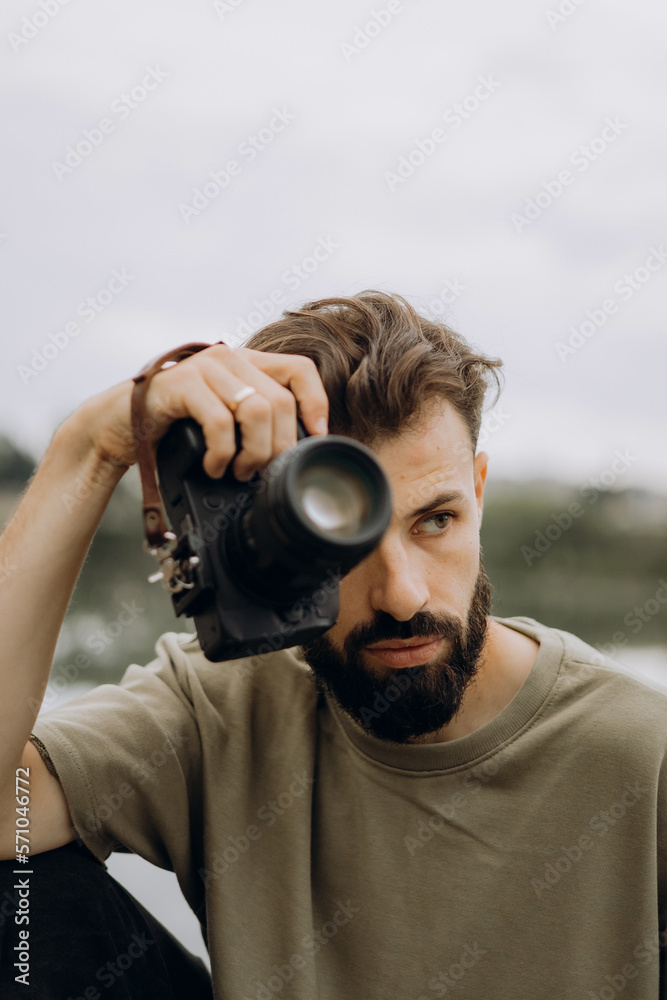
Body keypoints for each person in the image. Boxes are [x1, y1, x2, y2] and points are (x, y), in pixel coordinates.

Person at [0, 290, 665, 999]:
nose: (402, 595)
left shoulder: (638, 753)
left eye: (435, 521)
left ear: (477, 492)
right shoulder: (223, 708)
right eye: (343, 538)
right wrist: (92, 448)